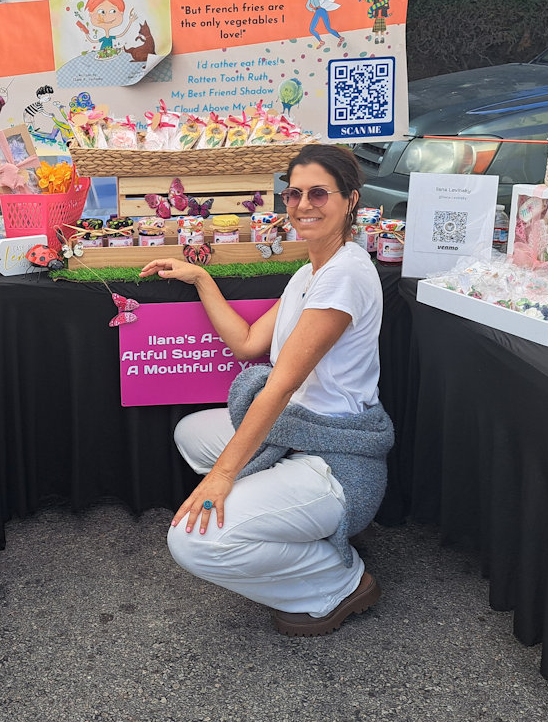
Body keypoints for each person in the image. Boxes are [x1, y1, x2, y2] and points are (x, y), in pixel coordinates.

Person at [138, 144, 393, 637]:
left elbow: (279, 385)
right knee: (192, 433)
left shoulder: (345, 275)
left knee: (192, 541)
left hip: (339, 460)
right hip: (299, 432)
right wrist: (200, 278)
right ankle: (284, 515)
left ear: (350, 200)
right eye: (294, 194)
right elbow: (249, 343)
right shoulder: (310, 272)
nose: (303, 205)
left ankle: (340, 582)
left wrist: (223, 478)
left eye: (319, 193)